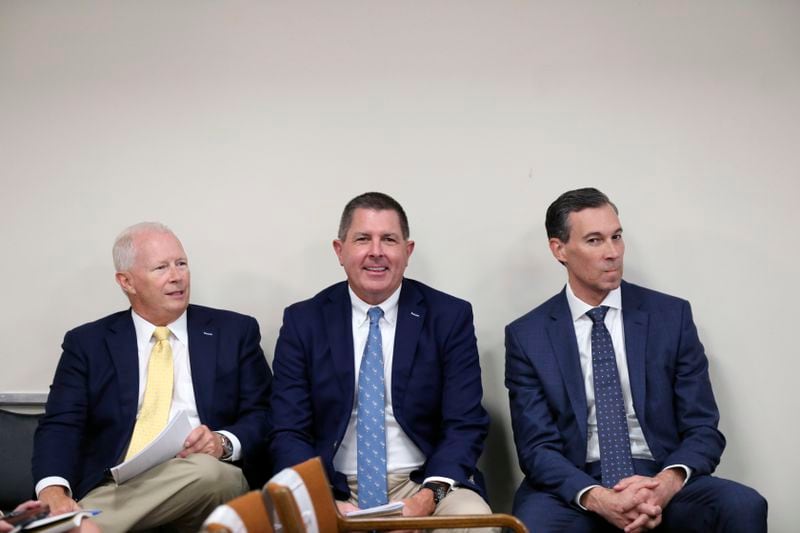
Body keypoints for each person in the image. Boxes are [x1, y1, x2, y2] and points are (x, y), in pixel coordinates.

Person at [505, 188, 768, 533]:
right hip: (576, 483)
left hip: (659, 473)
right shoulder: (528, 335)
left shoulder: (671, 317)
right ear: (559, 250)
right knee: (532, 525)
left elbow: (703, 428)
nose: (613, 252)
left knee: (743, 505)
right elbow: (537, 448)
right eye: (595, 241)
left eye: (616, 237)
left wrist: (665, 484)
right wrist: (599, 497)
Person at [269, 192, 493, 531]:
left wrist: (429, 495)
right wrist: (320, 499)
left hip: (425, 481)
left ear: (407, 250)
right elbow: (289, 429)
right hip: (335, 484)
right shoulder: (304, 321)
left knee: (475, 522)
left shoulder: (449, 317)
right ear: (339, 250)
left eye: (389, 239)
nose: (376, 251)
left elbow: (465, 423)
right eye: (362, 239)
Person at [32, 222, 272, 532]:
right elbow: (61, 425)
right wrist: (53, 492)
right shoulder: (88, 343)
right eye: (161, 267)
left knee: (214, 475)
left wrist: (222, 442)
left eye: (181, 264)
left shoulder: (234, 332)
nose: (177, 276)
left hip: (204, 477)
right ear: (126, 281)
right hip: (116, 486)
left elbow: (265, 413)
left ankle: (72, 526)